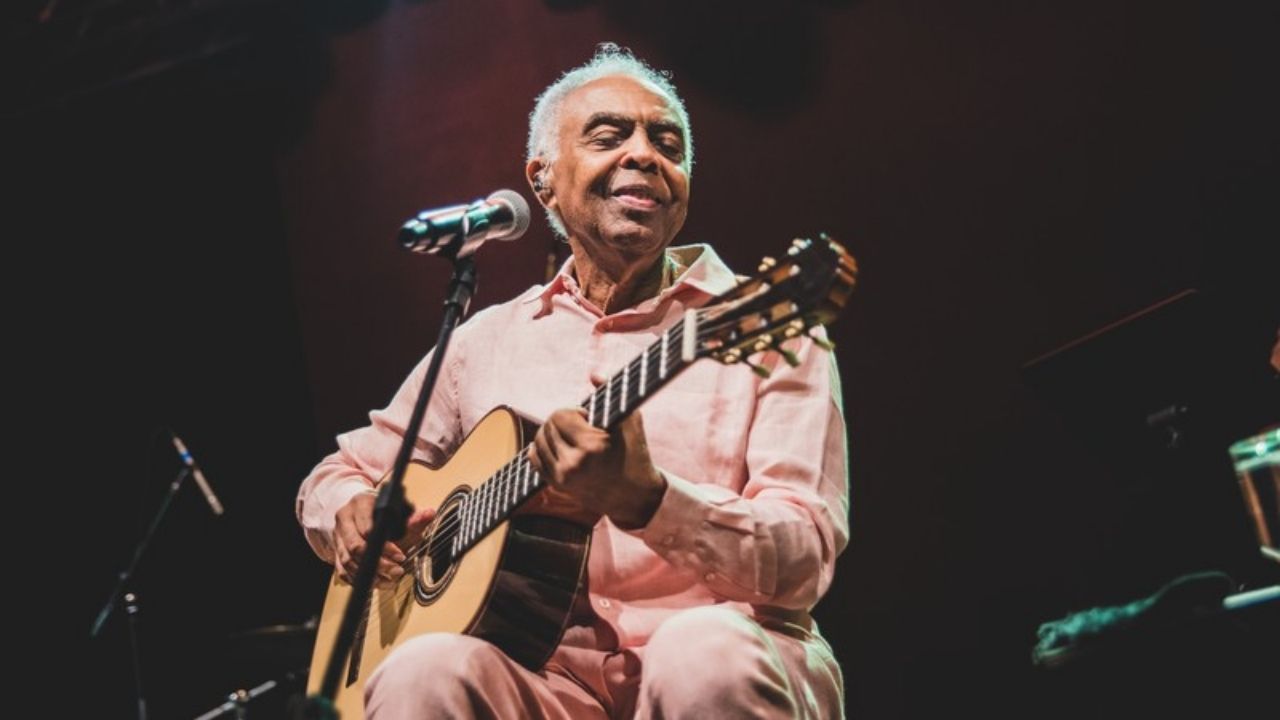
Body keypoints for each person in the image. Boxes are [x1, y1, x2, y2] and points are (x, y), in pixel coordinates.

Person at [297, 43, 850, 719]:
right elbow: (337, 474)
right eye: (610, 136)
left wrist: (646, 498)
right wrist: (347, 515)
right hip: (547, 684)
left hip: (728, 662)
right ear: (543, 179)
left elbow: (804, 560)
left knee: (700, 652)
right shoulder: (485, 342)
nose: (645, 155)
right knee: (423, 670)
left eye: (667, 143)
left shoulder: (766, 325)